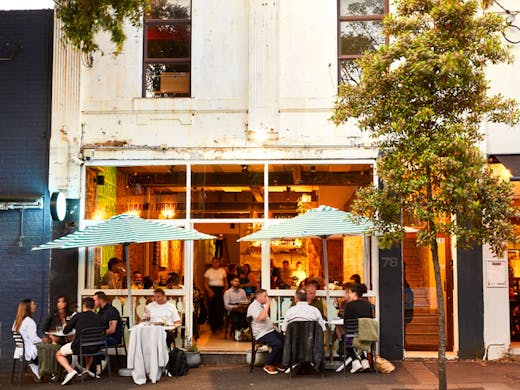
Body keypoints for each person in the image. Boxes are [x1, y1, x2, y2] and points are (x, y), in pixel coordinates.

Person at [56, 297, 105, 385]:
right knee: (89, 346)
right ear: (93, 307)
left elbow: (65, 331)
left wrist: (65, 324)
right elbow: (104, 330)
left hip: (79, 347)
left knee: (58, 354)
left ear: (84, 306)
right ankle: (86, 370)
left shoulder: (78, 316)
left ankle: (71, 371)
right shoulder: (99, 318)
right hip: (96, 347)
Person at [246, 289, 284, 375]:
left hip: (268, 331)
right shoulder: (254, 307)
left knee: (285, 339)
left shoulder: (259, 306)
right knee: (278, 344)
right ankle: (268, 364)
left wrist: (273, 326)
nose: (267, 298)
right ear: (259, 297)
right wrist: (267, 306)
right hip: (261, 334)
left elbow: (265, 320)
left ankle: (276, 362)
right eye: (265, 296)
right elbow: (261, 318)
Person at [342, 283, 373, 373]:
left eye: (349, 293)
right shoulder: (368, 305)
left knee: (346, 338)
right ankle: (365, 362)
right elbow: (370, 319)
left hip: (353, 336)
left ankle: (355, 361)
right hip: (368, 335)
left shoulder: (349, 305)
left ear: (354, 293)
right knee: (357, 339)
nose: (347, 295)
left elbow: (346, 323)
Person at [12, 299, 45, 380]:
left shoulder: (16, 321)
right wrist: (43, 340)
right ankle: (37, 368)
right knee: (52, 348)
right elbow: (33, 339)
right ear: (28, 307)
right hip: (29, 349)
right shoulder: (29, 321)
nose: (35, 306)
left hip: (20, 349)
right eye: (33, 304)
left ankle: (35, 367)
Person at [204, 258, 228, 332]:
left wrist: (225, 290)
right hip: (211, 289)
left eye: (217, 262)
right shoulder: (208, 271)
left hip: (220, 290)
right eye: (214, 262)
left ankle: (220, 325)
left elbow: (226, 282)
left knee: (220, 308)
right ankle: (213, 326)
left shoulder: (223, 271)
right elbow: (205, 284)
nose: (215, 263)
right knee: (212, 308)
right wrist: (210, 291)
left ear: (219, 263)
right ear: (212, 263)